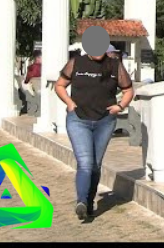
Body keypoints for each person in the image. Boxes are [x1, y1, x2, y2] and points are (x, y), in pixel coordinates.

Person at [55, 47, 134, 221]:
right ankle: (81, 202)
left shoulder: (115, 66)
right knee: (85, 163)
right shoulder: (76, 63)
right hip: (78, 120)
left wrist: (120, 106)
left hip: (105, 121)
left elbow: (128, 90)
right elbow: (59, 85)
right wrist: (69, 103)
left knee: (95, 165)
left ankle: (89, 202)